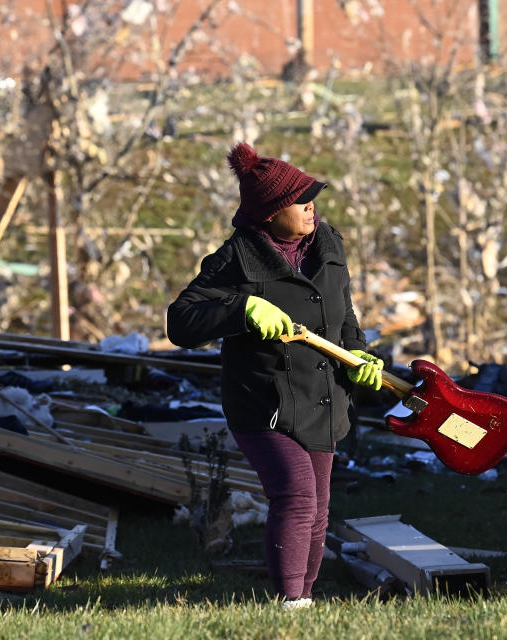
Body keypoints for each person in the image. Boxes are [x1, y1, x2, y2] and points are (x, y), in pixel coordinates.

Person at [166, 142, 384, 609]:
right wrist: (241, 308)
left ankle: (302, 603)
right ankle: (289, 604)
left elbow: (344, 317)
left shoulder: (328, 245)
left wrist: (360, 357)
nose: (311, 207)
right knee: (298, 496)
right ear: (268, 213)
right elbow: (180, 321)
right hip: (265, 404)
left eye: (313, 197)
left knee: (319, 509)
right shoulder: (236, 259)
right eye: (299, 200)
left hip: (323, 397)